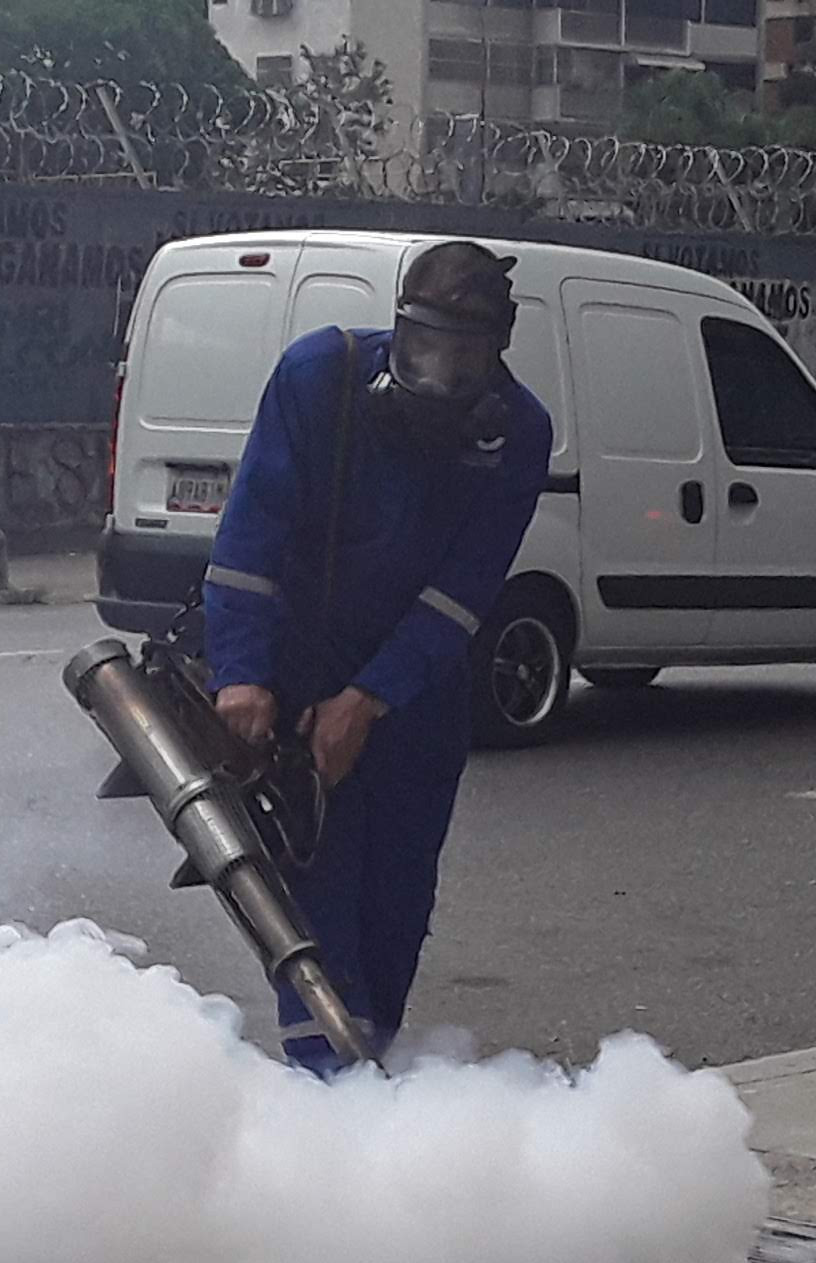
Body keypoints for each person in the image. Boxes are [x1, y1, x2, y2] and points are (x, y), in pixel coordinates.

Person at [198, 240, 555, 1072]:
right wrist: (242, 674)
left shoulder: (520, 434)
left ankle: (363, 1086)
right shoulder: (320, 377)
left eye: (464, 358)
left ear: (497, 352)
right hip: (293, 686)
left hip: (415, 705)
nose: (438, 374)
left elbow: (461, 595)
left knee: (393, 917)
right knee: (313, 918)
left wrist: (369, 699)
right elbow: (249, 538)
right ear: (399, 326)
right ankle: (334, 1107)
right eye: (424, 347)